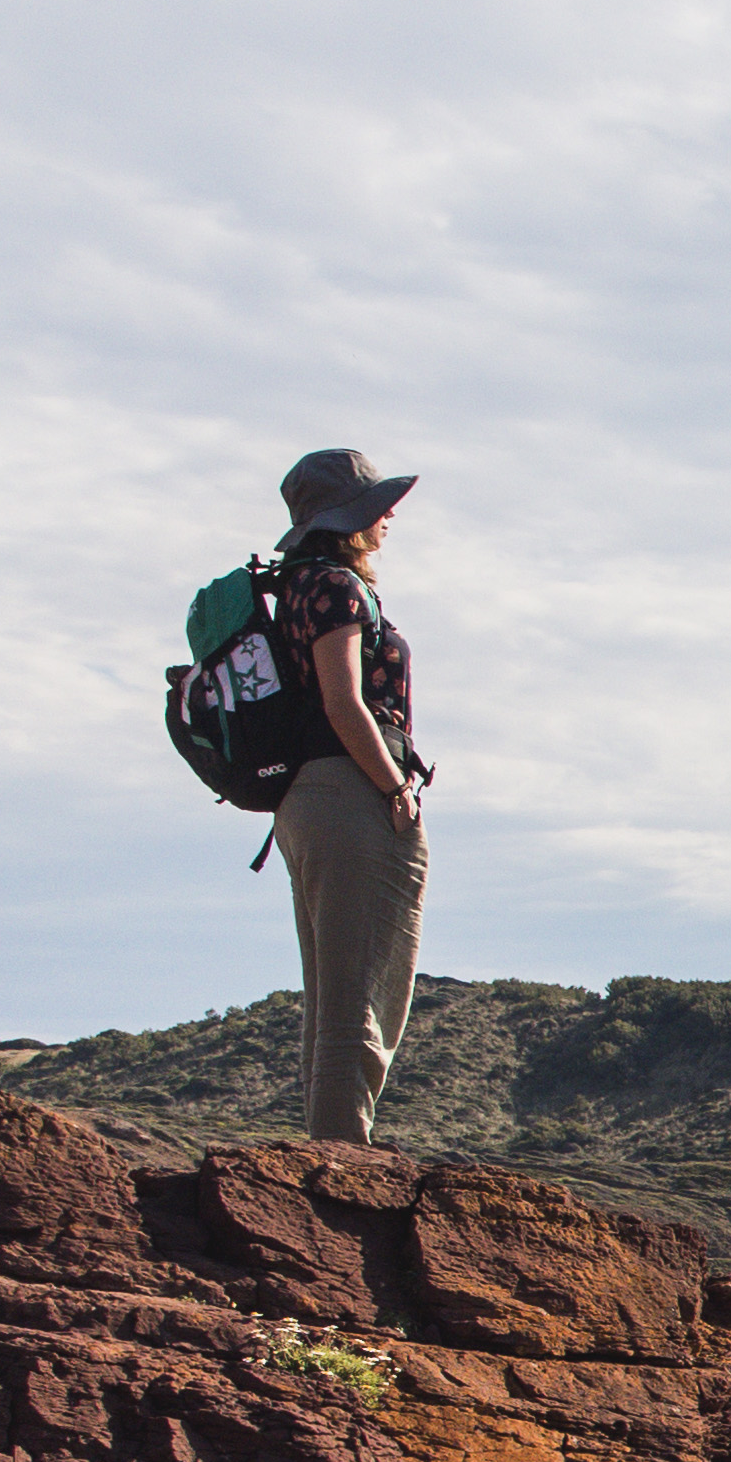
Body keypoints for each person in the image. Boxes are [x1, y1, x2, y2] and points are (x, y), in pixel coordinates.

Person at [256, 446, 432, 1141]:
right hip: (350, 791)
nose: (388, 518)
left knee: (333, 999)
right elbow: (343, 701)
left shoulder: (296, 587)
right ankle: (342, 1165)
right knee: (361, 997)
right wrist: (396, 789)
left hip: (306, 799)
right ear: (347, 521)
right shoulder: (335, 587)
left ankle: (328, 1154)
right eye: (375, 508)